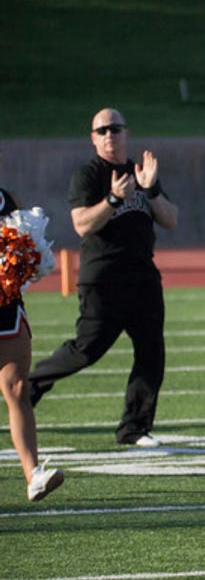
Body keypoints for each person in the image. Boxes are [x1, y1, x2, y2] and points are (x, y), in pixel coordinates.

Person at [29, 108, 178, 448]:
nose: (110, 135)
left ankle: (134, 429)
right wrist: (113, 199)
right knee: (87, 350)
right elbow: (82, 223)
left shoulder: (140, 172)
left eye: (116, 128)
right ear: (93, 138)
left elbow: (170, 219)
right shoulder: (89, 174)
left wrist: (151, 190)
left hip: (142, 276)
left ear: (127, 134)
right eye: (102, 130)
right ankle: (29, 387)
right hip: (103, 279)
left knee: (151, 351)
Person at [0, 165, 64, 502]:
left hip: (5, 308)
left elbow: (26, 246)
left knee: (18, 387)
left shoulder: (8, 200)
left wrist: (31, 257)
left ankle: (33, 475)